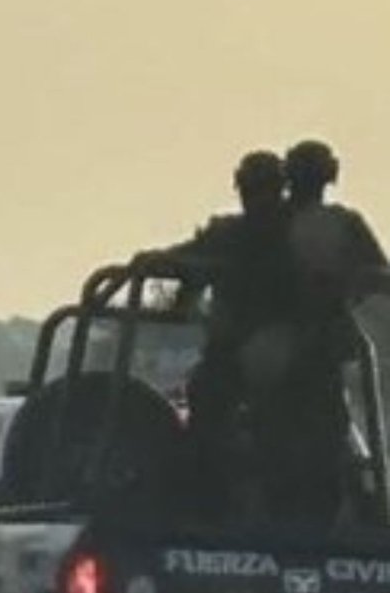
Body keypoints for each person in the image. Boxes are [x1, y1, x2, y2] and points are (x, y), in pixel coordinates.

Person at [139, 150, 293, 517]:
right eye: (253, 190)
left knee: (213, 404)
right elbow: (185, 267)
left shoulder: (293, 237)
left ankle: (206, 495)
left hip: (291, 365)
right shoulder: (234, 236)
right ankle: (208, 493)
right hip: (249, 361)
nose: (257, 199)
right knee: (208, 402)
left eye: (264, 189)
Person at [252, 140, 388, 522]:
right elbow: (378, 276)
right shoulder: (335, 225)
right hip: (299, 353)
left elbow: (377, 277)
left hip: (287, 353)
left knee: (308, 437)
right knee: (319, 438)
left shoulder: (266, 222)